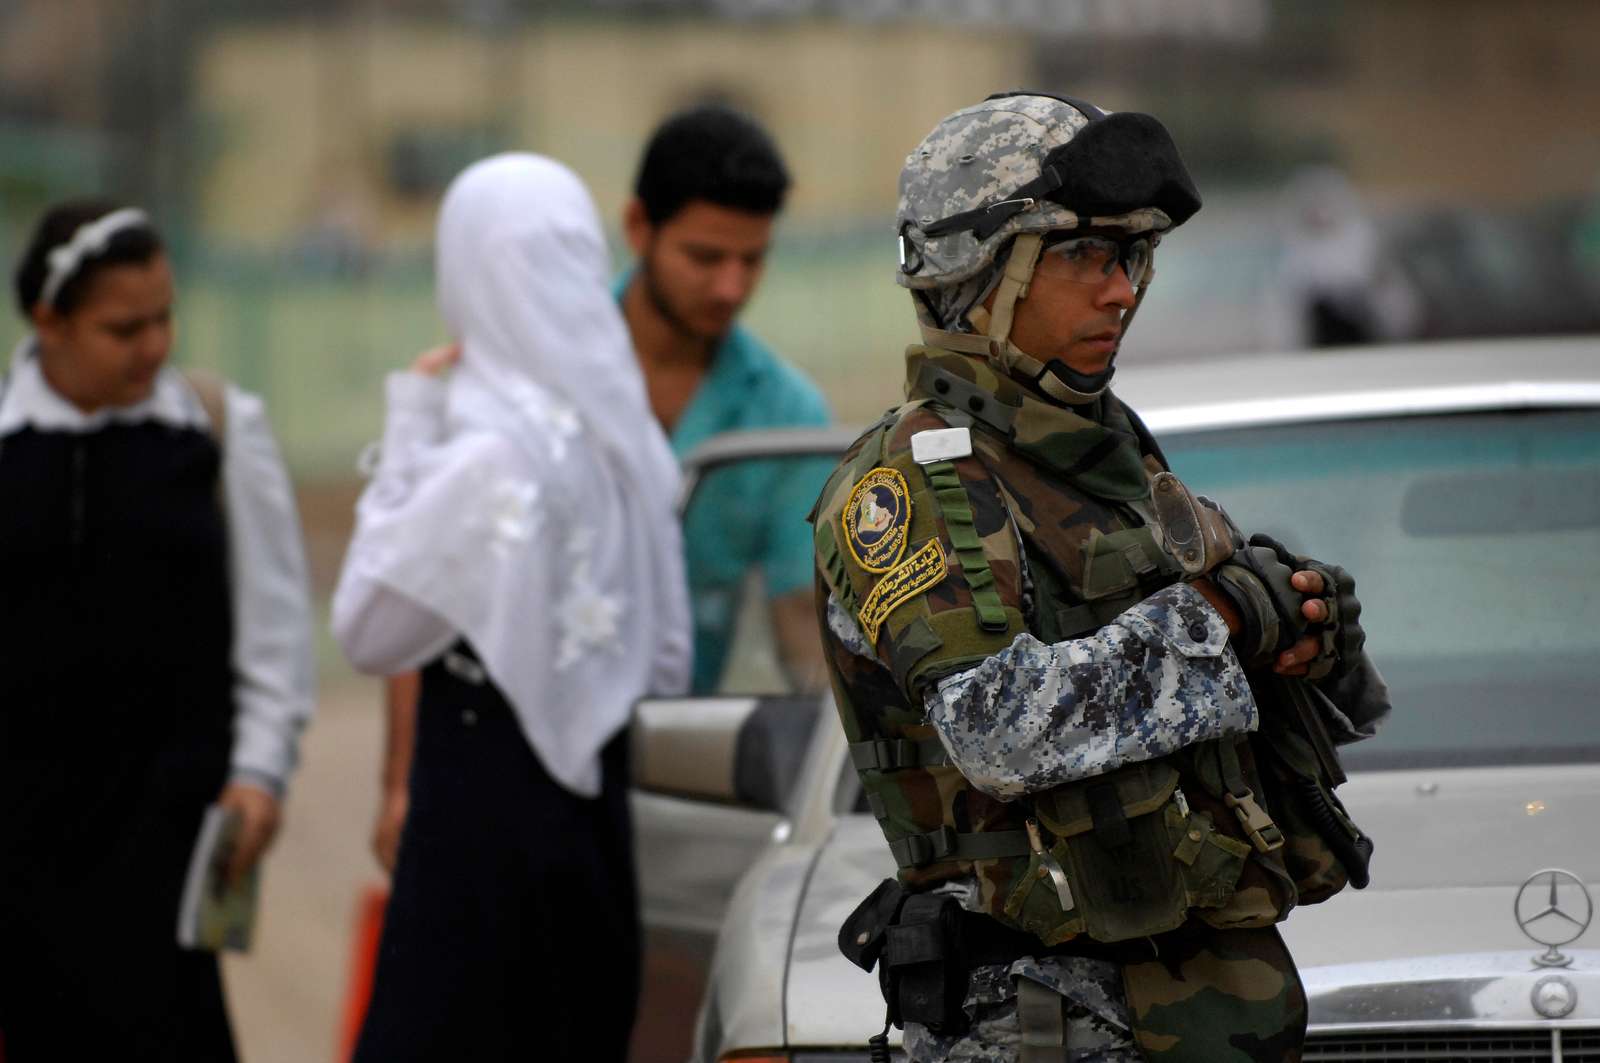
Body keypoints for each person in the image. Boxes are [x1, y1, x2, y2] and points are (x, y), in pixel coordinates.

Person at [812, 94, 1390, 1062]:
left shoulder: (1106, 453)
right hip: (1043, 1020)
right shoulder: (910, 480)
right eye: (1083, 256)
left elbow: (1230, 667)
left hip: (1203, 1012)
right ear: (981, 273)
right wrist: (1218, 620)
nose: (1120, 290)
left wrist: (1302, 630)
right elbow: (998, 727)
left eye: (1132, 258)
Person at [369, 104, 831, 873]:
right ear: (638, 227)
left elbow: (801, 631)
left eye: (752, 261)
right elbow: (426, 601)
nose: (730, 286)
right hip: (504, 766)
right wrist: (398, 784)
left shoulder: (786, 411)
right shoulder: (517, 373)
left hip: (676, 774)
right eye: (705, 256)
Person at [332, 153, 690, 1062]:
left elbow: (367, 628)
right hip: (593, 828)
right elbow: (666, 660)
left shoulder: (487, 454)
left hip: (477, 830)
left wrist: (413, 418)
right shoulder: (623, 434)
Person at [0, 201, 315, 1061]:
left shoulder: (213, 430)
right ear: (49, 321)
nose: (153, 347)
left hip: (168, 829)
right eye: (122, 327)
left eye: (164, 318)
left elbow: (274, 624)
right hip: (22, 838)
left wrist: (260, 772)